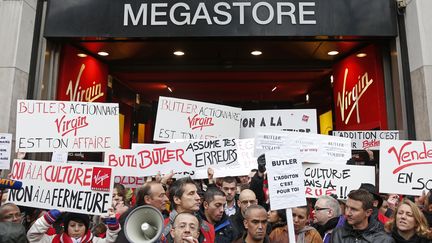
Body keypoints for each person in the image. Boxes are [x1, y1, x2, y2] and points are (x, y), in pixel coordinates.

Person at [162, 177, 215, 243]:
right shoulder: (161, 229)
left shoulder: (208, 228)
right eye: (191, 193)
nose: (198, 198)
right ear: (177, 199)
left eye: (197, 193)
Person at [27, 210, 120, 243]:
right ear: (66, 226)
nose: (76, 229)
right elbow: (33, 237)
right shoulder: (53, 240)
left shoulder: (95, 241)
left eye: (81, 225)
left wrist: (111, 224)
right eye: (72, 225)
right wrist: (48, 218)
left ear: (86, 227)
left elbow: (111, 240)